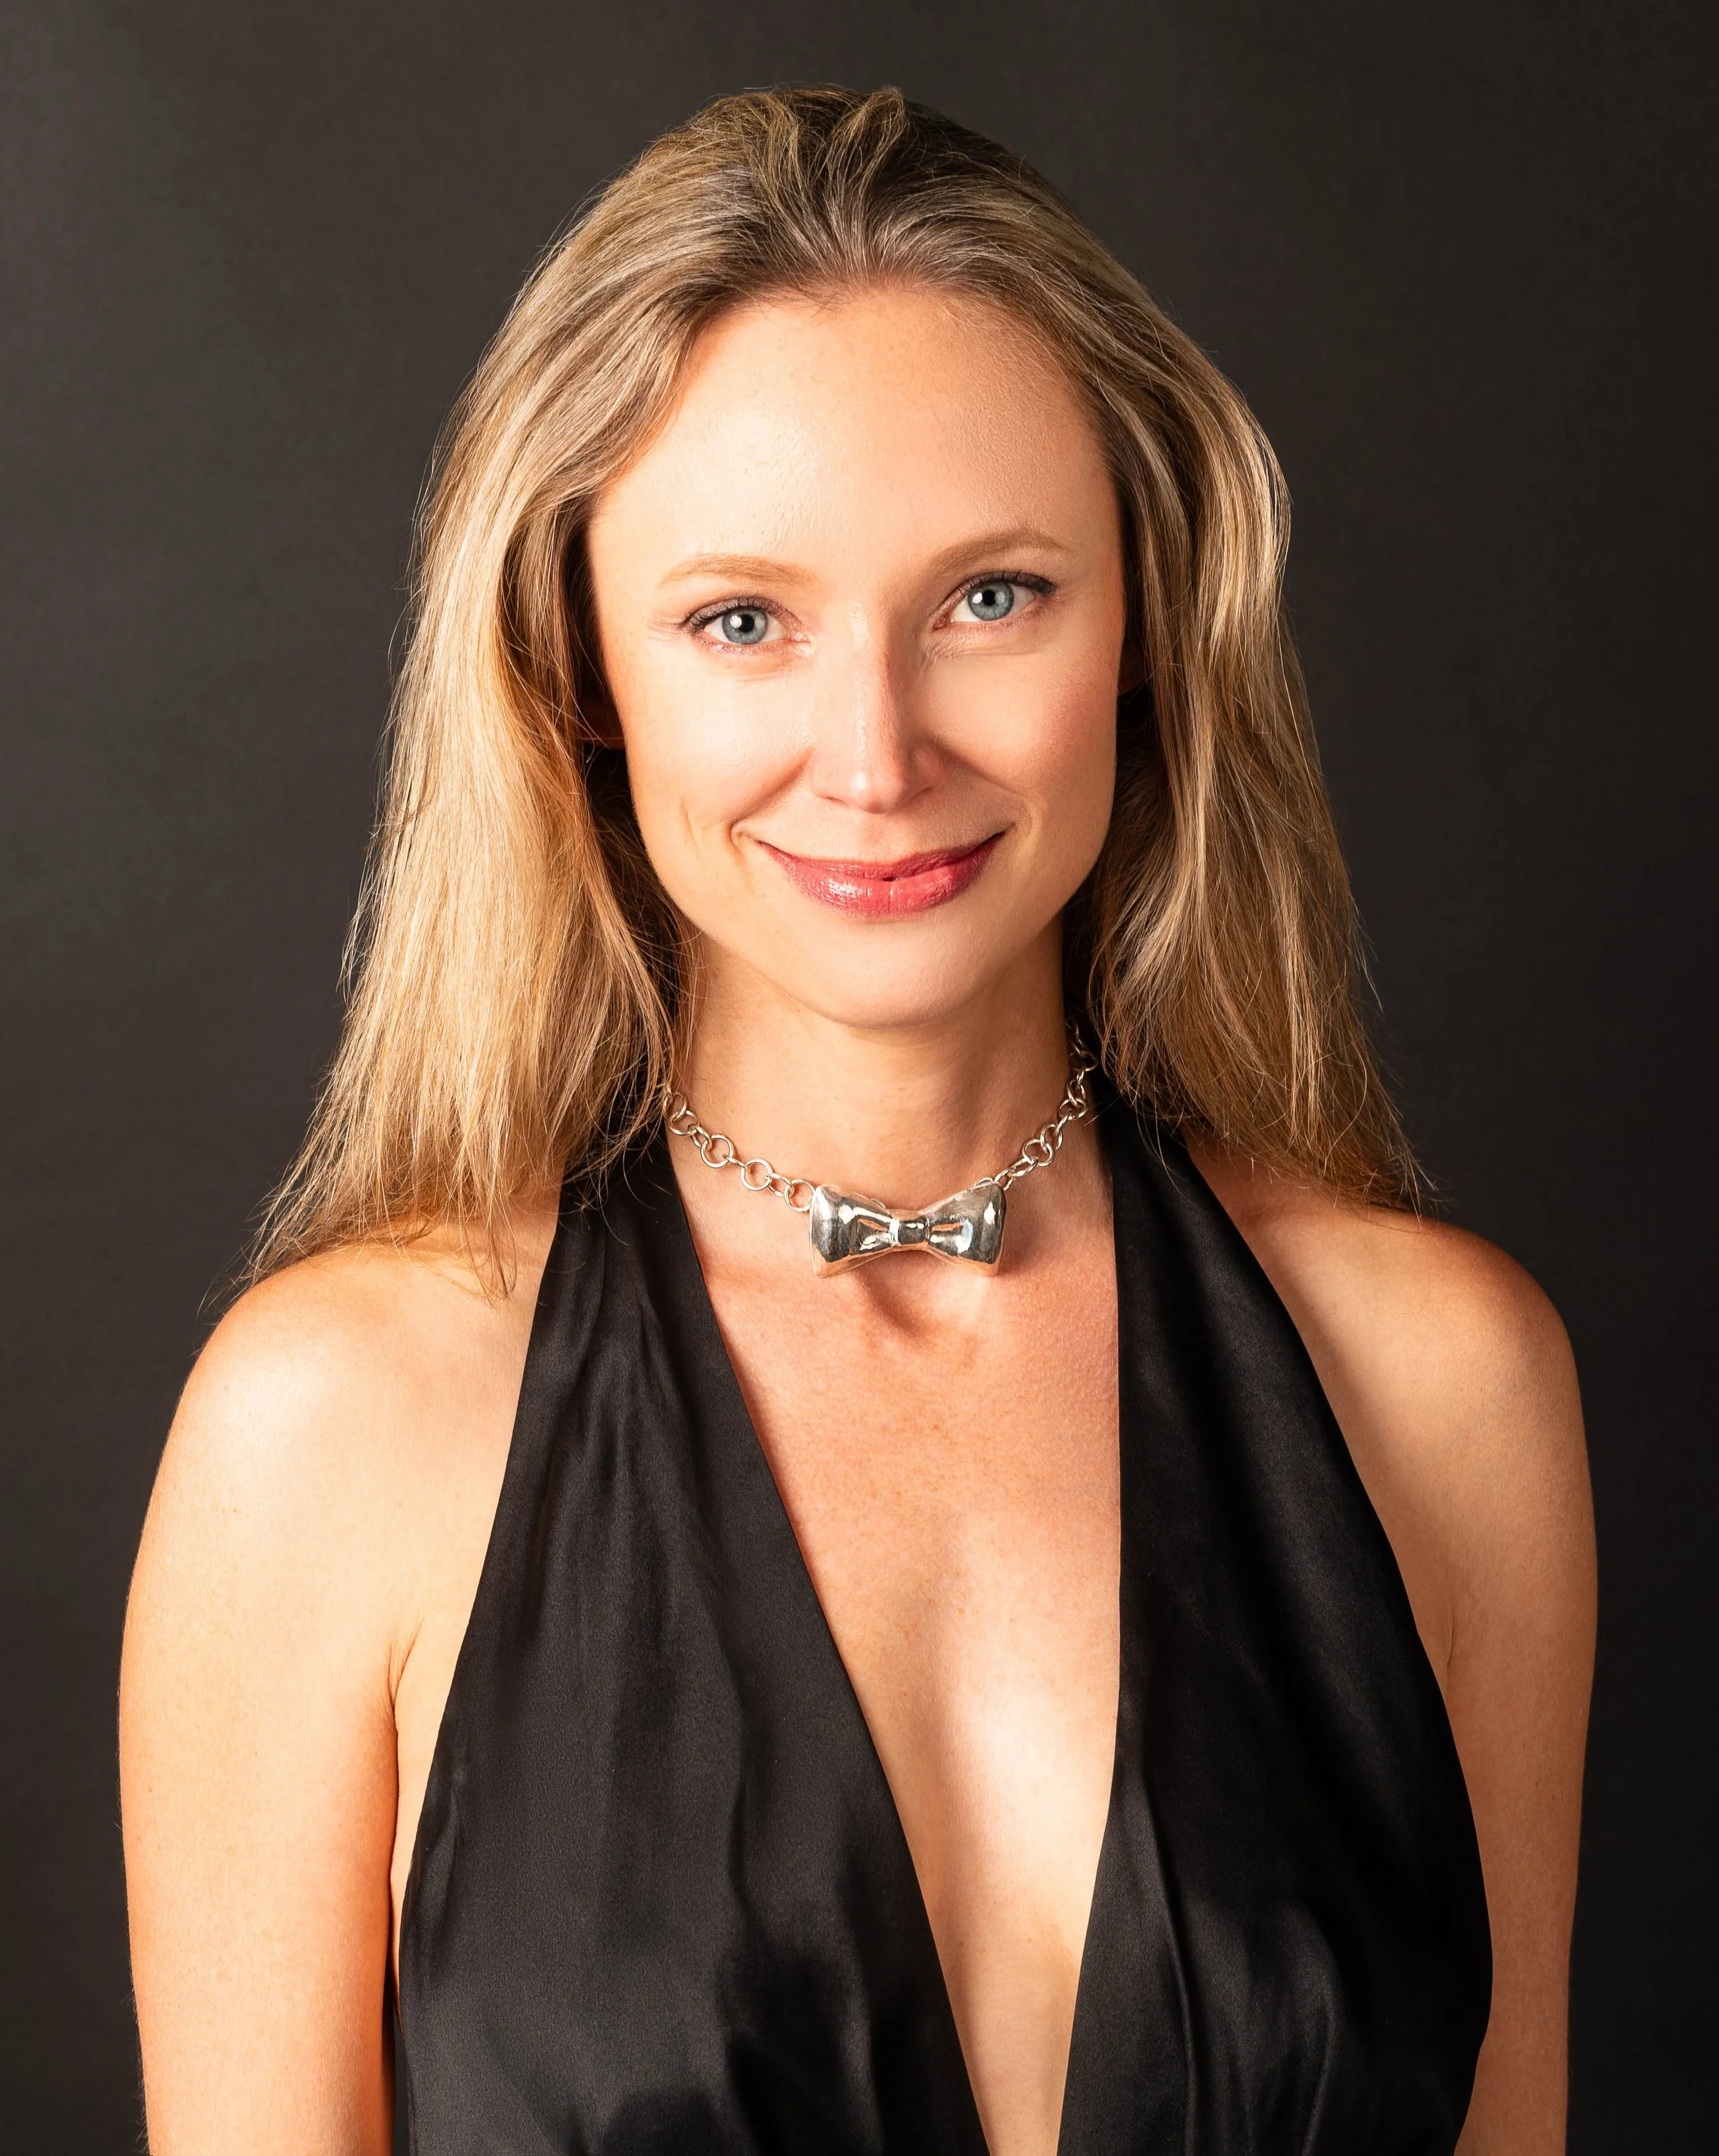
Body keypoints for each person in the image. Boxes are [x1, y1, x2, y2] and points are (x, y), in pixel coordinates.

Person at [119, 87, 1595, 2156]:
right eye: (742, 620)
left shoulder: (1442, 1386)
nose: (876, 751)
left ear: (1148, 625)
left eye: (992, 596)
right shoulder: (337, 1428)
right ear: (578, 674)